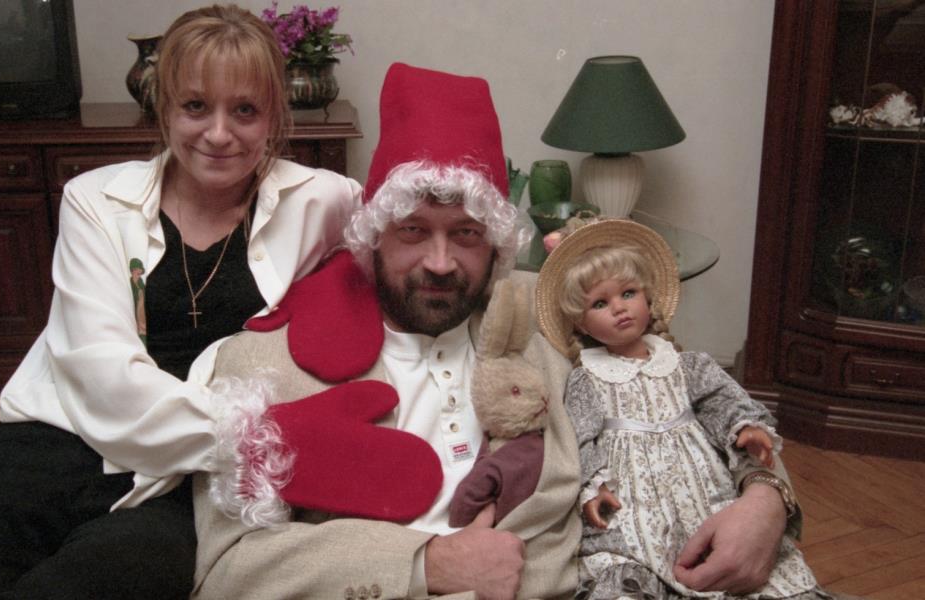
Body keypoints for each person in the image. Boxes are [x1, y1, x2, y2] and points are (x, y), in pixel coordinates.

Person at [0, 5, 360, 599]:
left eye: (245, 110)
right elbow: (102, 377)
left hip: (188, 476)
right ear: (164, 106)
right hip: (64, 431)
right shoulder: (95, 200)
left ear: (274, 116)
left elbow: (412, 241)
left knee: (109, 577)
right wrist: (261, 435)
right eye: (195, 106)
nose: (219, 134)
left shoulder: (323, 200)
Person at [190, 62, 582, 600]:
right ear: (374, 236)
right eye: (413, 230)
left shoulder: (549, 318)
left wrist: (718, 514)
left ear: (496, 245)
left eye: (466, 234)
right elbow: (227, 571)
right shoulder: (263, 368)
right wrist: (425, 565)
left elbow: (661, 394)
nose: (440, 262)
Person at [534, 218, 830, 600]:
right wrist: (594, 488)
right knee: (629, 561)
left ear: (647, 297)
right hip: (632, 498)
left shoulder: (686, 364)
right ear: (581, 323)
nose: (620, 308)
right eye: (600, 303)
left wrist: (744, 427)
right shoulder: (585, 378)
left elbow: (721, 398)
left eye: (628, 293)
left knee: (724, 554)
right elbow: (581, 438)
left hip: (702, 487)